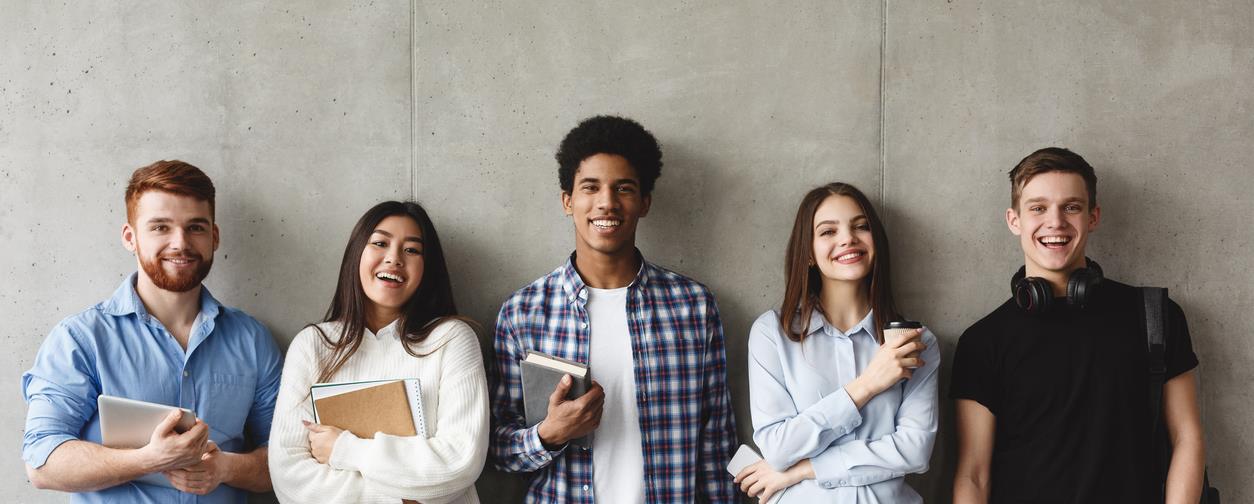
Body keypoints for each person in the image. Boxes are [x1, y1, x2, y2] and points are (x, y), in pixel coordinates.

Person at [488, 115, 738, 503]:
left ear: (644, 203)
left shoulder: (693, 306)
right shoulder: (524, 313)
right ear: (568, 201)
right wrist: (548, 434)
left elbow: (716, 441)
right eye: (591, 187)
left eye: (623, 188)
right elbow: (498, 448)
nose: (607, 201)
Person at [950, 147, 1206, 503]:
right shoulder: (983, 341)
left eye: (1071, 206)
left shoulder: (1155, 315)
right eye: (1038, 208)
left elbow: (1187, 438)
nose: (1055, 222)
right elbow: (973, 476)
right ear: (1014, 220)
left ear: (1093, 216)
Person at [21, 160, 281, 502]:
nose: (180, 243)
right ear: (131, 238)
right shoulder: (81, 339)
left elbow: (286, 460)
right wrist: (150, 459)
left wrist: (225, 469)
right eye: (160, 227)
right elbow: (42, 462)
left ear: (214, 237)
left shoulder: (252, 340)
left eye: (196, 228)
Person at [268, 201, 487, 503]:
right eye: (380, 243)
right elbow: (290, 476)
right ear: (357, 253)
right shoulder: (313, 345)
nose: (394, 259)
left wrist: (344, 450)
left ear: (427, 267)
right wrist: (407, 497)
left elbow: (460, 461)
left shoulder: (452, 339)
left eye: (412, 250)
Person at [736, 182, 939, 503]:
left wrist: (803, 469)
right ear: (809, 253)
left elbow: (915, 451)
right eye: (828, 231)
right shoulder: (771, 333)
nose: (848, 238)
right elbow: (777, 447)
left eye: (861, 227)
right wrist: (868, 384)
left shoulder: (915, 340)